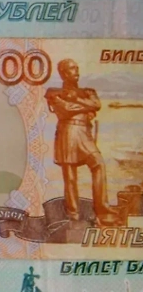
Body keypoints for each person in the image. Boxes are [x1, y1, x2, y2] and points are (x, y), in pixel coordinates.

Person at [45, 59, 113, 224]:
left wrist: (76, 99)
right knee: (70, 176)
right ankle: (73, 214)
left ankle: (102, 210)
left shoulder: (88, 91)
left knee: (98, 163)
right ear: (63, 73)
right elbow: (65, 110)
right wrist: (86, 107)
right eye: (72, 69)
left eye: (76, 68)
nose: (76, 71)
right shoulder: (53, 92)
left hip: (84, 132)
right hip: (67, 132)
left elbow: (96, 104)